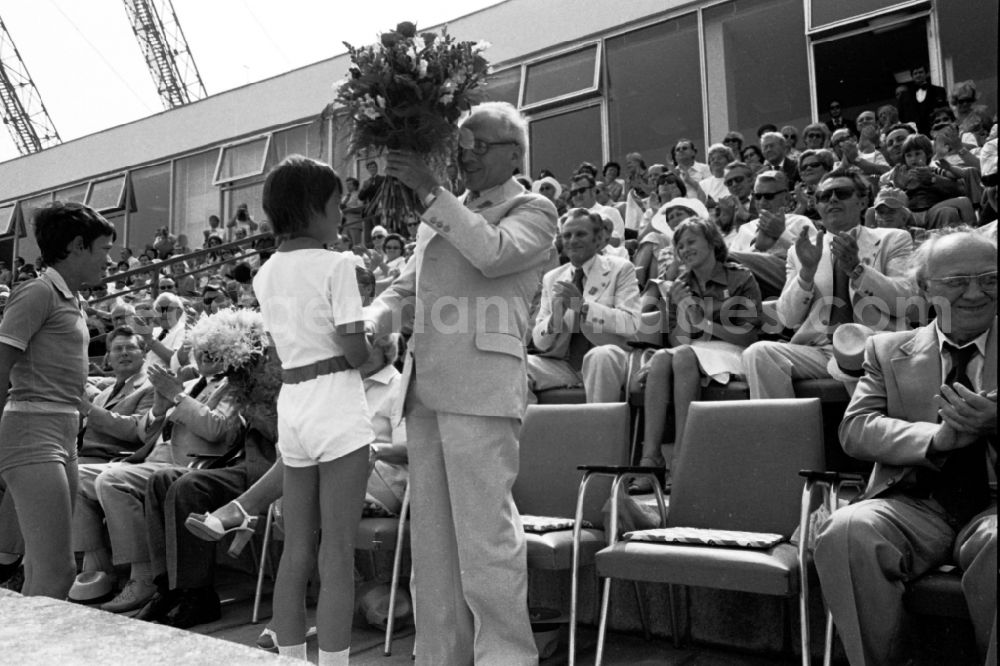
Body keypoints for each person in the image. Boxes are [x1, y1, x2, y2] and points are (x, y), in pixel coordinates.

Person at [368, 101, 558, 665]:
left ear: (514, 153)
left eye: (479, 146)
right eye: (462, 147)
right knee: (432, 542)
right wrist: (378, 314)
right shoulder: (448, 210)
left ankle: (505, 657)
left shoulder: (534, 208)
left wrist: (430, 191)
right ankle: (439, 656)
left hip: (480, 389)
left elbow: (492, 254)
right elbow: (404, 286)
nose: (466, 156)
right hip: (424, 388)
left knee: (485, 539)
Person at [814, 228, 996, 666]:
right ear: (924, 288)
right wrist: (934, 439)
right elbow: (856, 429)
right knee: (847, 530)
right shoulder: (886, 350)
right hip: (917, 503)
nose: (975, 293)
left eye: (990, 278)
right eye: (956, 282)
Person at [252, 155, 373, 664]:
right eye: (336, 205)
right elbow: (354, 351)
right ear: (312, 209)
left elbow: (286, 349)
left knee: (297, 549)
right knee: (338, 551)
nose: (342, 215)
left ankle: (290, 658)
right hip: (337, 403)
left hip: (294, 407)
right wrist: (374, 342)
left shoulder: (264, 273)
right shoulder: (338, 263)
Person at [0, 202, 115, 598]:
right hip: (32, 434)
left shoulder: (68, 297)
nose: (109, 260)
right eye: (104, 249)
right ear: (78, 246)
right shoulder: (37, 292)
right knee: (56, 572)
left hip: (63, 436)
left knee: (45, 570)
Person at [742, 169, 915, 398]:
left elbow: (905, 302)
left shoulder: (892, 239)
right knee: (759, 353)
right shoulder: (800, 250)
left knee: (856, 347)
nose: (832, 199)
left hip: (874, 346)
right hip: (820, 350)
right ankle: (780, 432)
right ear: (819, 206)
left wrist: (857, 270)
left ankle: (867, 428)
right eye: (824, 196)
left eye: (841, 193)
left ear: (862, 201)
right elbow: (787, 318)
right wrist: (806, 272)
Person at [629, 217, 762, 493]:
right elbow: (679, 339)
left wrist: (704, 323)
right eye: (680, 246)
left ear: (712, 242)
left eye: (691, 242)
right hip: (694, 351)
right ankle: (650, 458)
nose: (684, 249)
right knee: (663, 358)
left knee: (682, 356)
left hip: (735, 352)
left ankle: (682, 459)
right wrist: (685, 310)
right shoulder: (680, 284)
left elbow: (749, 335)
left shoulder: (739, 277)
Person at [528, 208, 640, 397]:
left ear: (598, 239)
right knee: (519, 364)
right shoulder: (552, 278)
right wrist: (555, 319)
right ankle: (531, 427)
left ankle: (601, 426)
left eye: (580, 234)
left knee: (600, 356)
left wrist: (583, 307)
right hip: (564, 365)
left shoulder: (621, 269)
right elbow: (540, 342)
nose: (572, 240)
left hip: (609, 358)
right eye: (567, 235)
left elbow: (630, 323)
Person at [898, 64, 950, 135]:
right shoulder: (904, 95)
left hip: (935, 130)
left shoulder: (938, 91)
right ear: (912, 76)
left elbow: (945, 110)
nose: (918, 75)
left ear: (926, 74)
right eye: (915, 73)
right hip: (914, 134)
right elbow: (901, 116)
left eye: (920, 72)